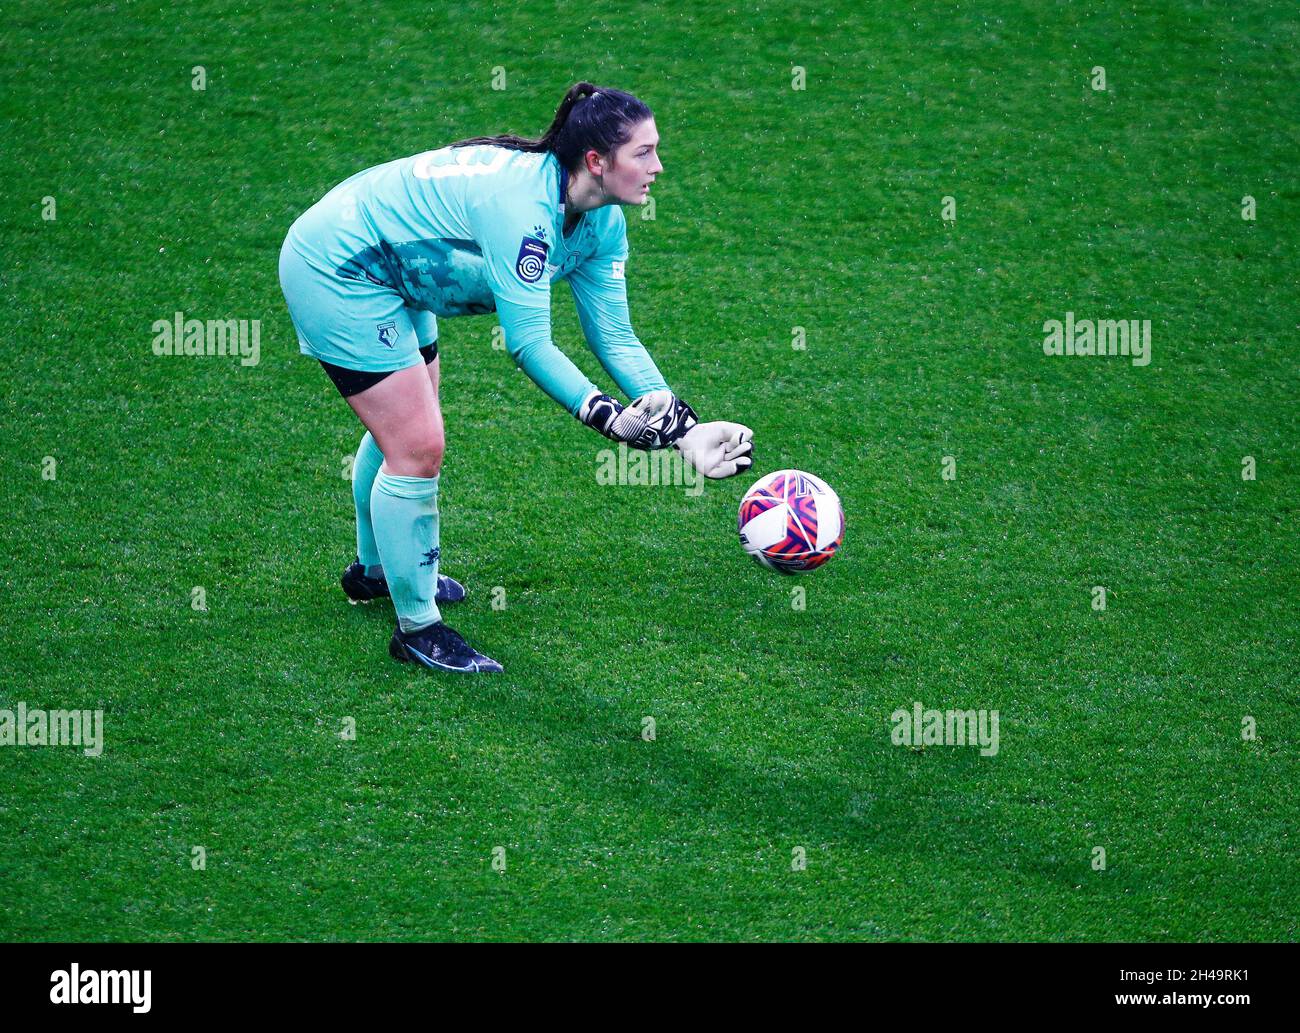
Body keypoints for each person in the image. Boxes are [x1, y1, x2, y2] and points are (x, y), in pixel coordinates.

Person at [278, 81, 754, 674]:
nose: (659, 166)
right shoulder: (523, 211)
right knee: (417, 446)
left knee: (407, 422)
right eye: (644, 153)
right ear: (596, 161)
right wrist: (607, 416)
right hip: (340, 267)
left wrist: (683, 429)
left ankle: (374, 573)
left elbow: (614, 335)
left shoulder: (600, 220)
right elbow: (528, 342)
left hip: (397, 268)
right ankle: (418, 630)